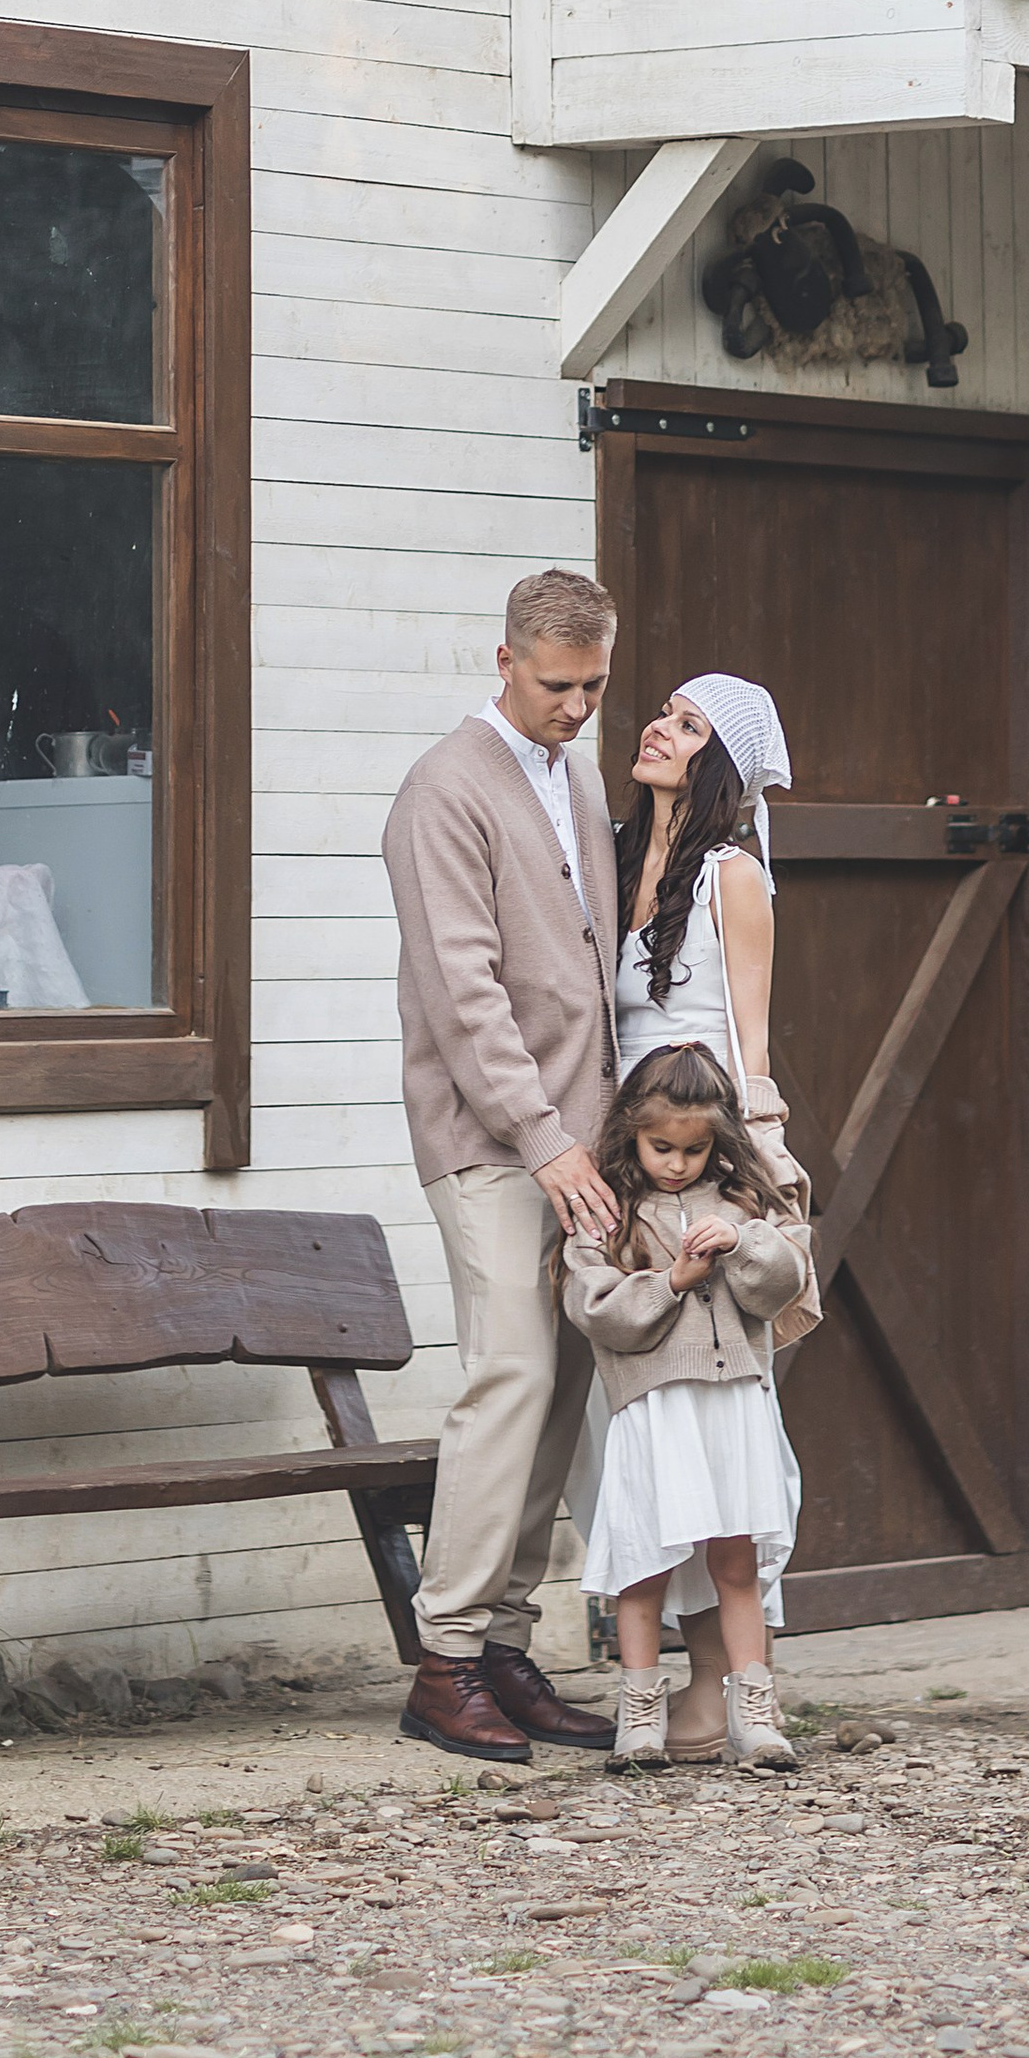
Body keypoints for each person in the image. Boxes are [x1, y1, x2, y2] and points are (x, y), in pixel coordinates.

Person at [381, 570, 625, 1763]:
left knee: (566, 1382)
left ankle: (508, 1647)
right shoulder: (445, 787)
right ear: (504, 660)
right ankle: (443, 1658)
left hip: (586, 1146)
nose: (577, 707)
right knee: (511, 1376)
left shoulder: (571, 777)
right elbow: (464, 992)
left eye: (593, 685)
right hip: (491, 1140)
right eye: (556, 684)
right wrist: (545, 1138)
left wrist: (606, 1141)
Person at [602, 667, 796, 1757]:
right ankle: (665, 1671)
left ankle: (723, 1683)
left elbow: (750, 1047)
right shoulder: (626, 862)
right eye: (662, 711)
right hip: (626, 1170)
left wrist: (751, 1187)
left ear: (719, 758)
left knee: (722, 1418)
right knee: (641, 1420)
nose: (657, 727)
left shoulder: (732, 874)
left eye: (684, 723)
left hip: (703, 1167)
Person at [564, 1041, 809, 1771]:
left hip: (734, 1404)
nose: (676, 1162)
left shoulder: (743, 1203)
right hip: (654, 1407)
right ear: (631, 1133)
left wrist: (741, 1243)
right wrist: (670, 1281)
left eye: (694, 1148)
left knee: (737, 1558)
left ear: (719, 1140)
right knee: (645, 1557)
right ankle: (638, 1714)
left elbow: (783, 1284)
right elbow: (594, 1307)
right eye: (660, 1145)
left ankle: (754, 1714)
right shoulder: (609, 1210)